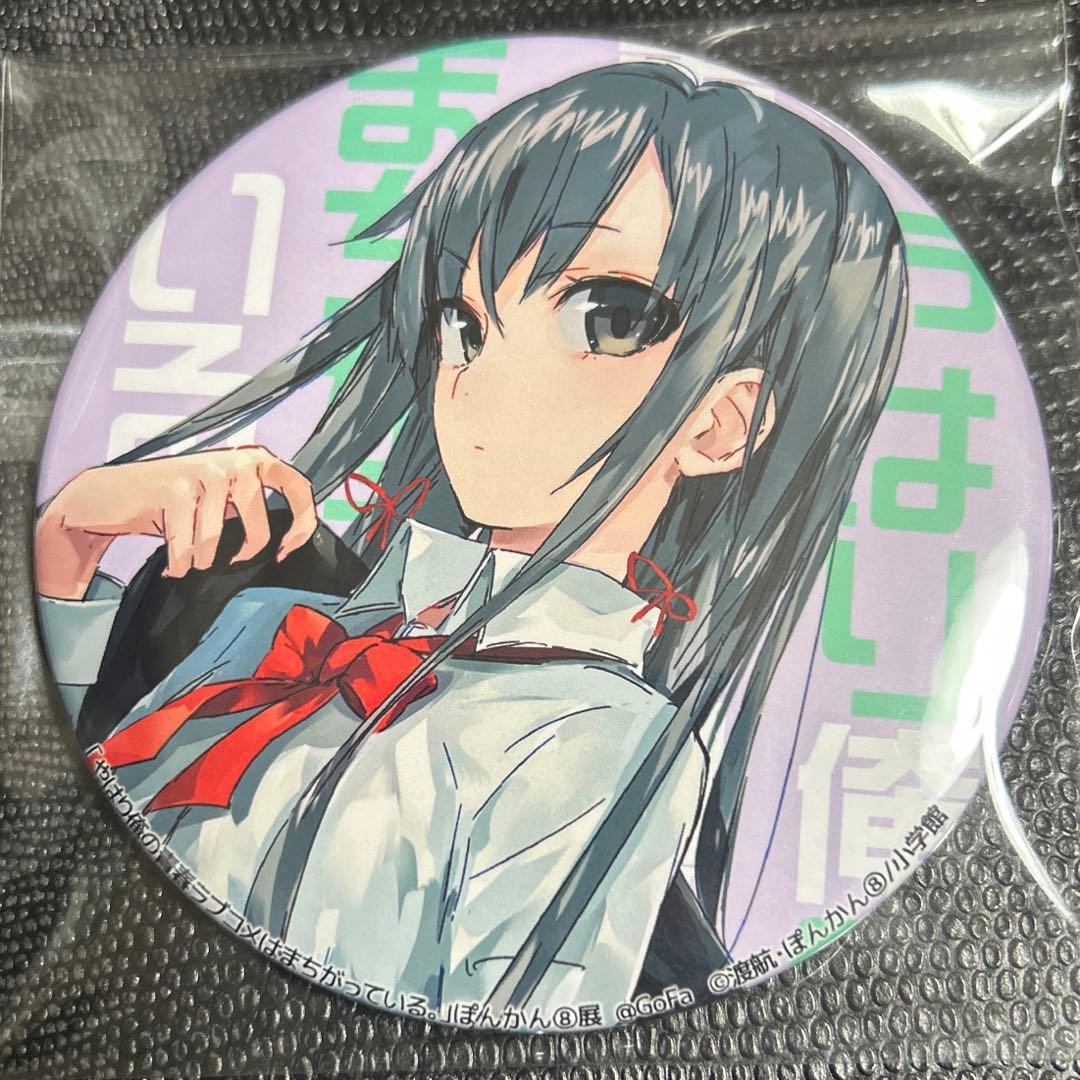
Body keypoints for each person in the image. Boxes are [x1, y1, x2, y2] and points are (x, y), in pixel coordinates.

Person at [34, 60, 908, 1020]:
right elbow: (61, 817)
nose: (479, 379)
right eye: (464, 323)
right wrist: (72, 533)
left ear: (721, 423)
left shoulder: (593, 740)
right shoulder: (273, 623)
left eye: (607, 318)